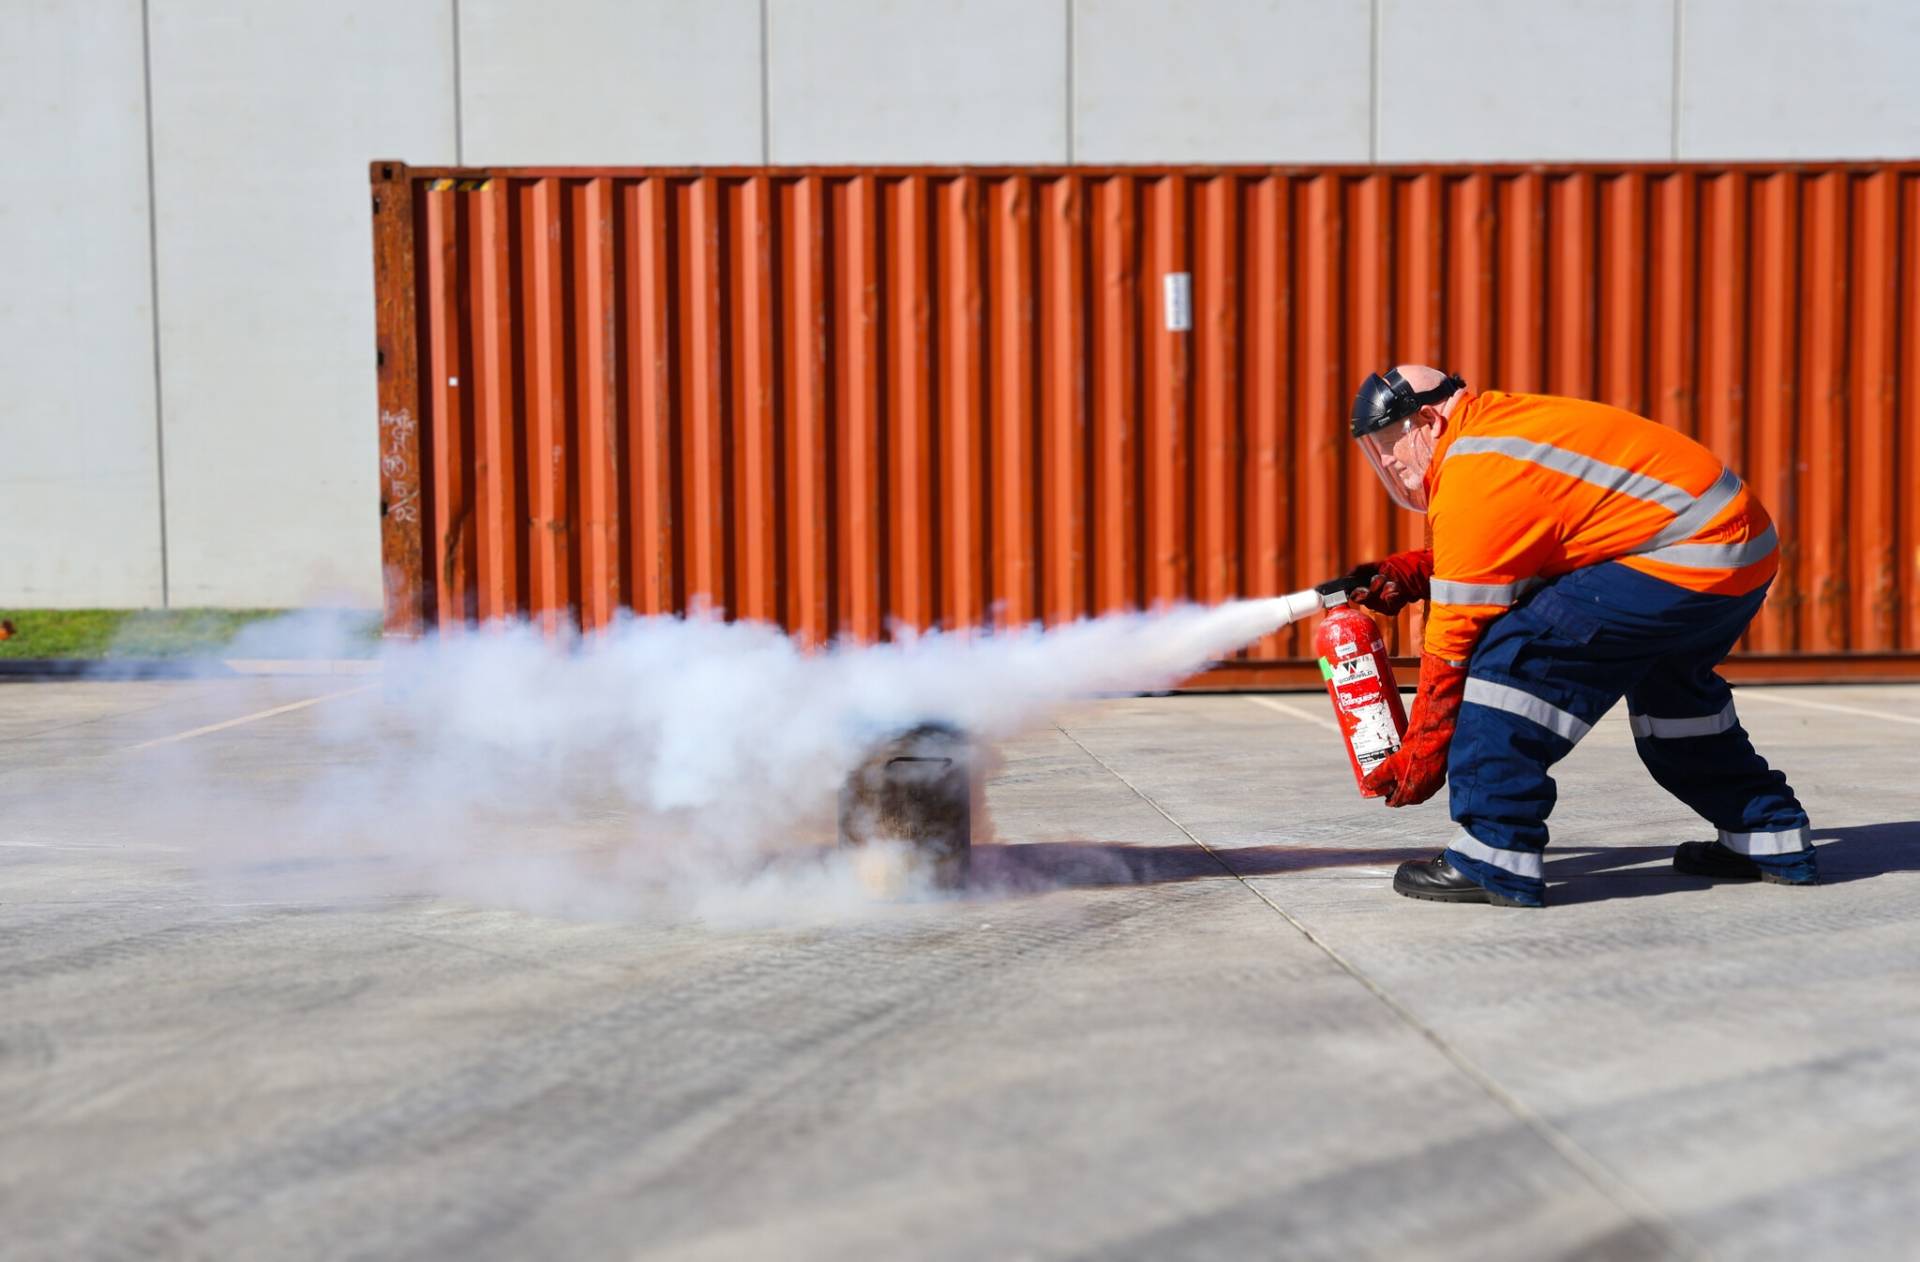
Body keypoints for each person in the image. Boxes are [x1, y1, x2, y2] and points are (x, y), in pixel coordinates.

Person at [1339, 366, 1817, 908]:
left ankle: (1495, 853)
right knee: (1674, 705)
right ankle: (1766, 836)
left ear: (1428, 419)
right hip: (1735, 553)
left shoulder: (1475, 467)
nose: (1390, 462)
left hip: (1684, 555)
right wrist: (1413, 571)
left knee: (1509, 663)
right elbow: (1534, 537)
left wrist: (1424, 748)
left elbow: (1453, 639)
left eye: (1389, 444)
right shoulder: (1500, 431)